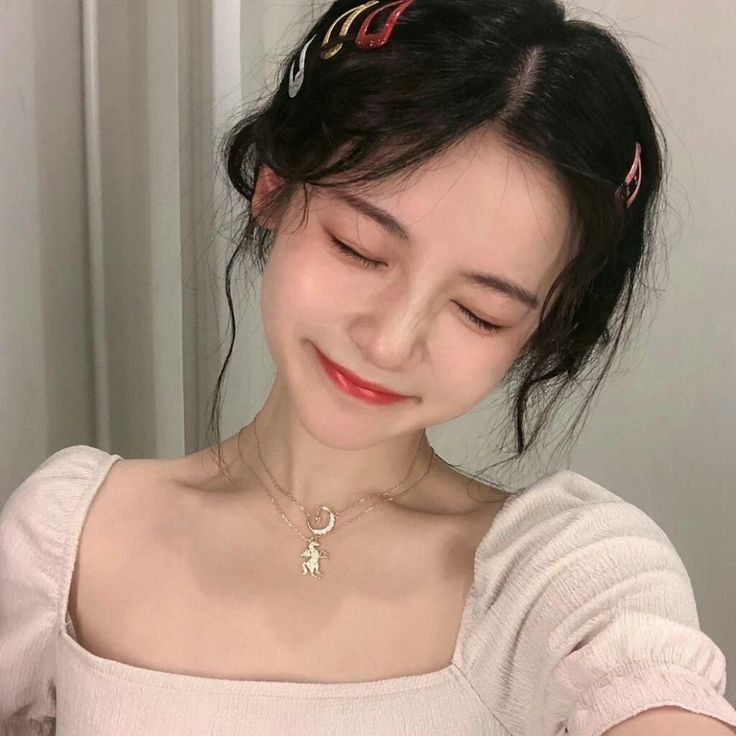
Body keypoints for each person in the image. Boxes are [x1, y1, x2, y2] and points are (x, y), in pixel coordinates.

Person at [1, 1, 735, 734]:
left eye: (480, 312)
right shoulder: (66, 542)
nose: (389, 343)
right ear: (275, 184)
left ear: (542, 331)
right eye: (358, 248)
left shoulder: (559, 578)